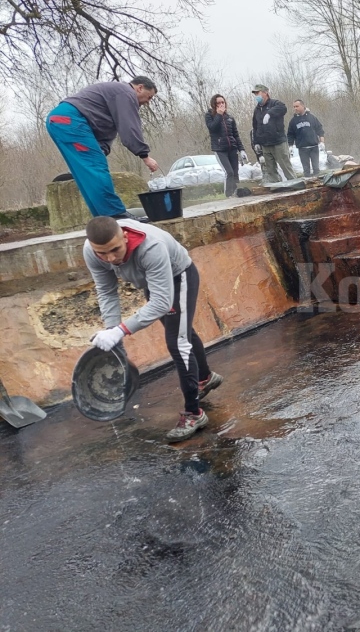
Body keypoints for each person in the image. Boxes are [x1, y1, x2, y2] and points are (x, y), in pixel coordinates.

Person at [83, 216, 223, 442]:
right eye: (102, 253)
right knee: (180, 332)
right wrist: (112, 334)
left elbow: (161, 303)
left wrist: (120, 330)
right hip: (153, 281)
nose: (110, 259)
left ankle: (194, 414)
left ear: (125, 237)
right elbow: (107, 291)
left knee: (177, 342)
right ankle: (205, 378)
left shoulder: (151, 247)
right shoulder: (91, 251)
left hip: (180, 276)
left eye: (115, 250)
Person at [46, 77, 160, 219]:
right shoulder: (126, 93)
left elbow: (103, 133)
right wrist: (145, 156)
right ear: (140, 88)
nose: (148, 102)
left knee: (87, 173)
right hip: (69, 120)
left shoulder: (115, 97)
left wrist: (101, 150)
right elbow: (129, 129)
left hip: (60, 120)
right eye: (149, 97)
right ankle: (116, 215)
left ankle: (103, 219)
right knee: (96, 167)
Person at [250, 84, 298, 186]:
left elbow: (283, 108)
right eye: (255, 94)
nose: (256, 95)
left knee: (285, 166)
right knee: (271, 170)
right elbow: (255, 127)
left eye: (257, 93)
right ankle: (277, 188)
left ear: (265, 92)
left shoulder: (275, 103)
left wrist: (269, 113)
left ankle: (295, 186)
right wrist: (256, 142)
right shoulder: (257, 109)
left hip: (278, 142)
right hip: (265, 144)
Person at [205, 94, 248, 197]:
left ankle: (235, 193)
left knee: (235, 173)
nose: (221, 104)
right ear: (214, 104)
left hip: (232, 148)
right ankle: (228, 195)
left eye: (222, 102)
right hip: (220, 149)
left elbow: (236, 135)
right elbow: (212, 128)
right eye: (218, 103)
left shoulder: (230, 118)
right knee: (229, 172)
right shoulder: (209, 116)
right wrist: (219, 115)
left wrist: (241, 150)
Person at [287, 100, 325, 177]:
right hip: (302, 148)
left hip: (314, 147)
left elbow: (320, 129)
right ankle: (309, 184)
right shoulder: (293, 121)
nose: (295, 108)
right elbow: (290, 134)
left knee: (316, 169)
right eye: (294, 107)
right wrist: (290, 146)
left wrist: (322, 142)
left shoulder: (312, 117)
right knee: (306, 170)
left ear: (303, 106)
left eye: (297, 106)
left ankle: (319, 184)